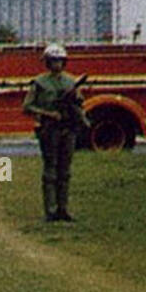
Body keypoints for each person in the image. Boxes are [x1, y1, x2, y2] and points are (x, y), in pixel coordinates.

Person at [22, 43, 88, 222]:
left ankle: (63, 209)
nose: (56, 64)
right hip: (49, 130)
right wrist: (48, 113)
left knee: (65, 170)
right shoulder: (39, 83)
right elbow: (27, 107)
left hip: (68, 129)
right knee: (50, 169)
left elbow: (80, 104)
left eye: (59, 61)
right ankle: (50, 210)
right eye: (53, 61)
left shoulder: (71, 82)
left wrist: (75, 103)